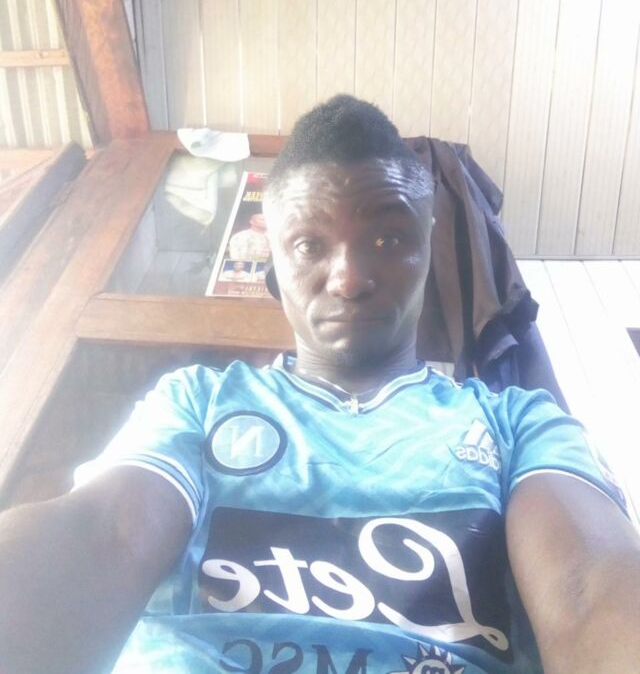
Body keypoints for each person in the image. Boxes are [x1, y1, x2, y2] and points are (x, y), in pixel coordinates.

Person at [1, 95, 639, 674]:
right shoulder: (197, 404)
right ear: (274, 269)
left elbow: (589, 588)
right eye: (309, 245)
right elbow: (104, 534)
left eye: (389, 238)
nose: (349, 277)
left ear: (428, 254)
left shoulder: (520, 425)